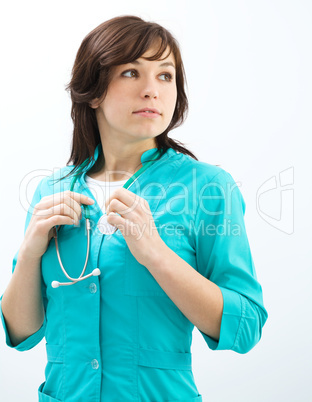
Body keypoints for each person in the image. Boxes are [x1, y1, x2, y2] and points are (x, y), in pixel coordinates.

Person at [0, 15, 268, 402]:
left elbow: (245, 329)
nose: (151, 90)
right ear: (92, 91)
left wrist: (156, 254)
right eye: (130, 72)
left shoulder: (209, 188)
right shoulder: (51, 190)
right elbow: (21, 334)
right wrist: (29, 253)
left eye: (165, 75)